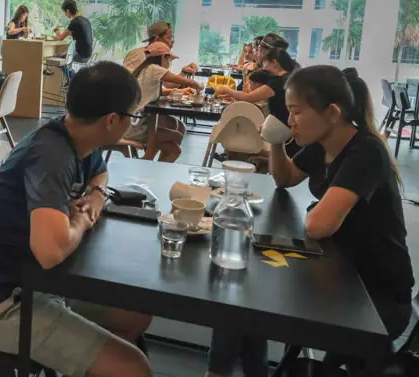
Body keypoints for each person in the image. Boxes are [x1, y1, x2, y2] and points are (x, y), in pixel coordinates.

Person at [208, 66, 415, 377]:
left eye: (296, 112)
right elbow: (286, 177)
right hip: (337, 272)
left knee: (246, 302)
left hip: (372, 296)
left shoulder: (364, 152)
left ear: (332, 113)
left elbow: (319, 225)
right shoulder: (325, 145)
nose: (290, 119)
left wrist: (314, 211)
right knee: (243, 299)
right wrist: (276, 142)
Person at [0, 62, 152, 377]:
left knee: (133, 316)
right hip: (0, 306)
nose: (134, 122)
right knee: (135, 369)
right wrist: (82, 221)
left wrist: (94, 197)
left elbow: (100, 174)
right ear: (112, 120)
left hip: (36, 285)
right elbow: (50, 252)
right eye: (134, 115)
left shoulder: (78, 136)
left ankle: (86, 360)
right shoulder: (52, 156)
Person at [123, 42, 203, 162]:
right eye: (169, 59)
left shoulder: (145, 69)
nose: (169, 63)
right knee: (177, 136)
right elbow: (183, 81)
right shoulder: (154, 69)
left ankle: (148, 164)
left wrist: (179, 91)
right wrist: (198, 85)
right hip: (135, 126)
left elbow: (160, 91)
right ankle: (147, 161)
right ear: (162, 57)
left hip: (135, 122)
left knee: (174, 150)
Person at [54, 0, 93, 83]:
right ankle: (72, 79)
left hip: (80, 56)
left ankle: (71, 81)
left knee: (59, 58)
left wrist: (56, 30)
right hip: (88, 55)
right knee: (64, 55)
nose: (65, 14)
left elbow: (60, 37)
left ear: (68, 11)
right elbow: (80, 37)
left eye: (65, 12)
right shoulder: (85, 20)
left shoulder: (74, 22)